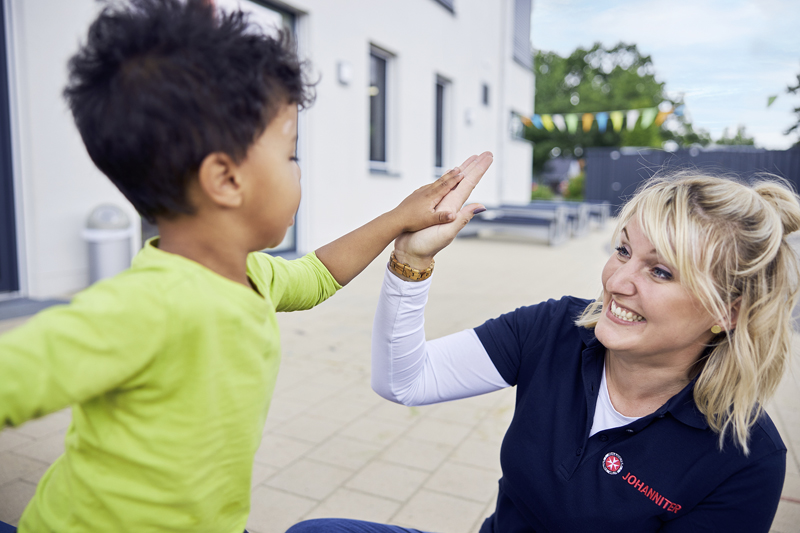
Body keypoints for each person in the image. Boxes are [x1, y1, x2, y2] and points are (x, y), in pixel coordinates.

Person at [0, 0, 494, 531]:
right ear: (226, 180)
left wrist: (398, 218)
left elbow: (316, 276)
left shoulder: (250, 275)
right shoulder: (146, 305)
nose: (298, 171)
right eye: (290, 155)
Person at [288, 171, 800, 533]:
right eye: (623, 251)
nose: (617, 282)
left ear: (728, 311)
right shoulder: (558, 329)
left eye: (660, 271)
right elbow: (405, 380)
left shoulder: (745, 457)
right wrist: (409, 261)